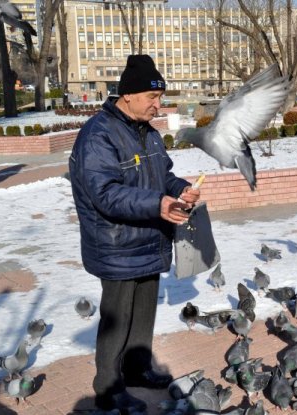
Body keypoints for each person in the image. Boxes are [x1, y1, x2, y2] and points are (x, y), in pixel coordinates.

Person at [69, 54, 200, 413]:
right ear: (127, 96)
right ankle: (108, 388)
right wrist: (158, 203)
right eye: (152, 98)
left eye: (160, 98)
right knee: (118, 319)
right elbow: (105, 193)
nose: (158, 106)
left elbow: (164, 176)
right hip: (116, 244)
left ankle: (137, 370)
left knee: (144, 312)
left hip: (149, 238)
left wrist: (181, 189)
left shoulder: (149, 134)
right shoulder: (98, 135)